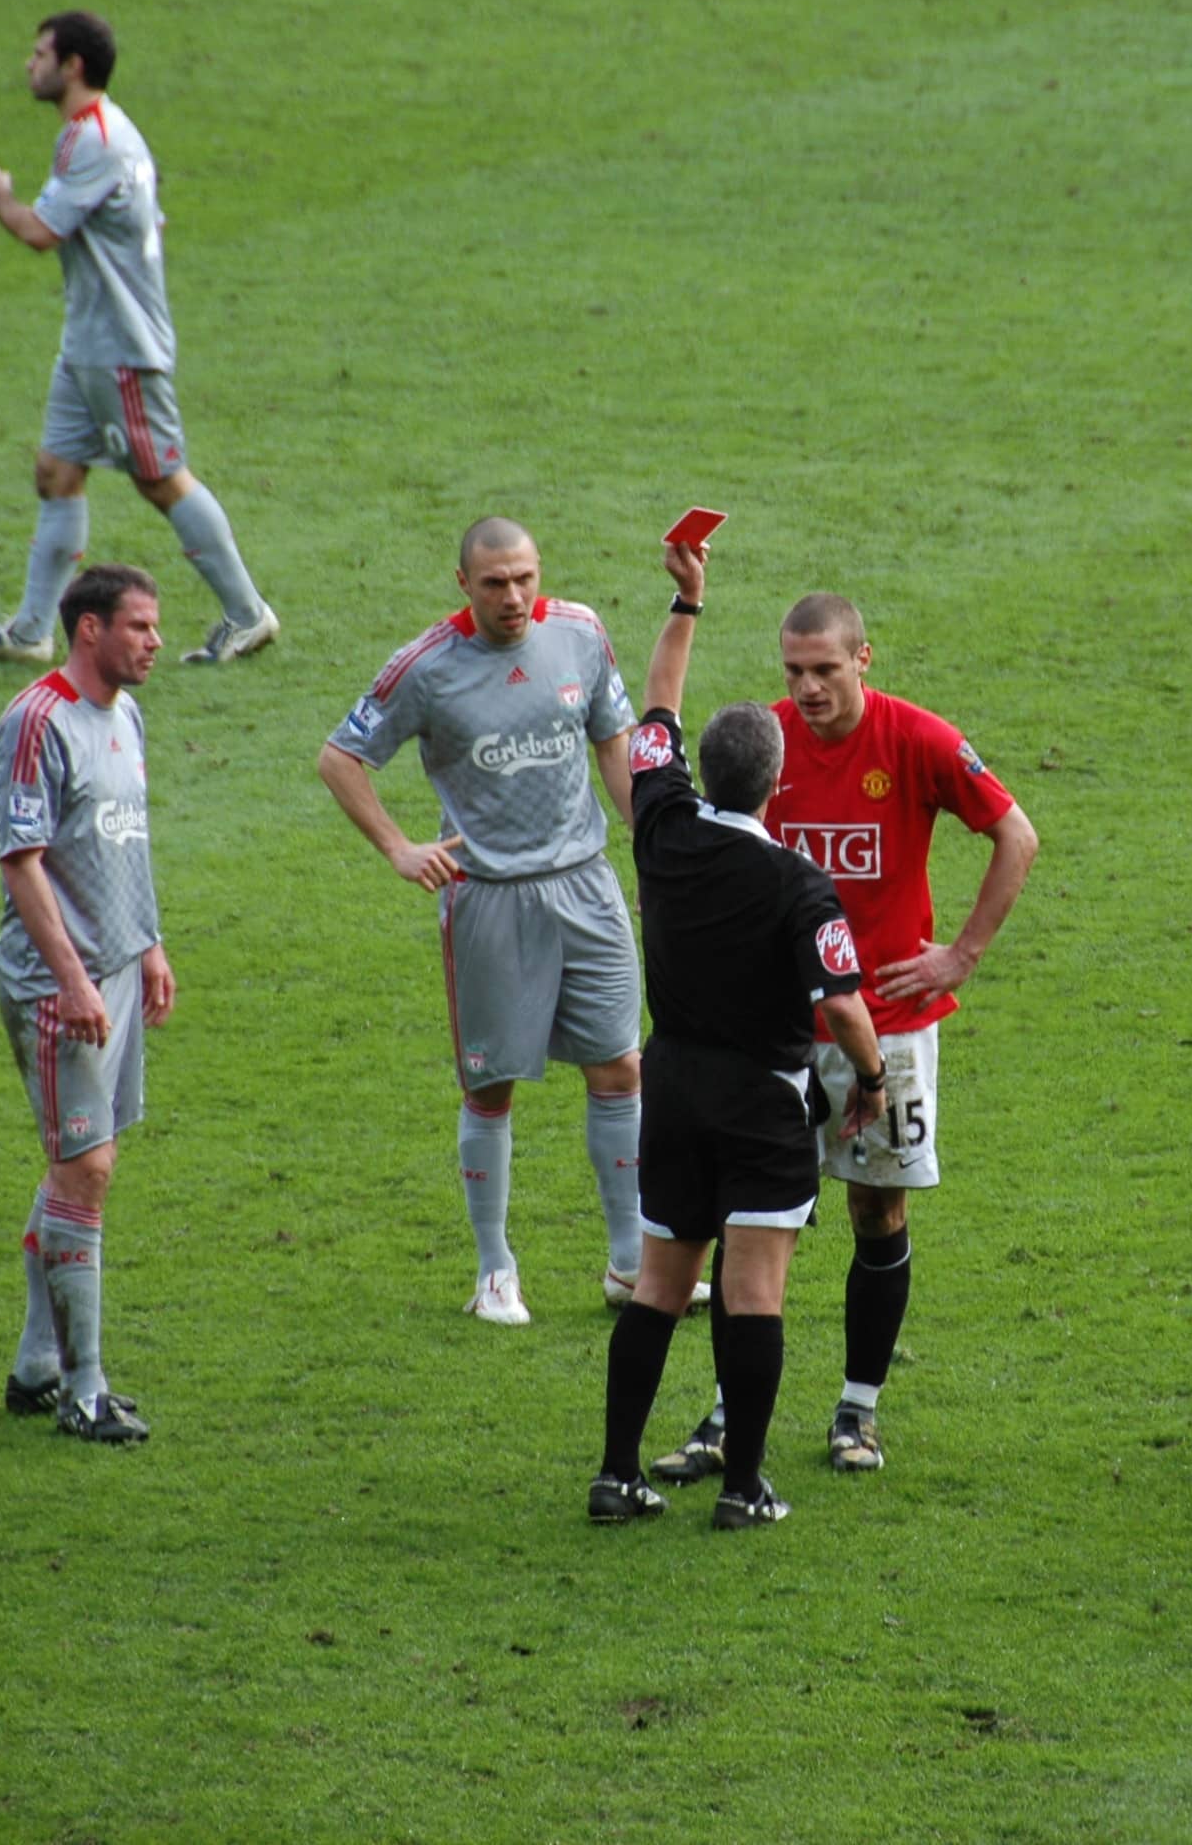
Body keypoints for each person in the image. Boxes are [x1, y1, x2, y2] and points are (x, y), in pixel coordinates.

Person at [650, 587, 1037, 1483]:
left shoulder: (918, 741)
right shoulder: (766, 743)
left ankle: (858, 1410)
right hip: (776, 1032)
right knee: (745, 1224)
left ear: (864, 659)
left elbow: (1016, 834)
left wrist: (960, 957)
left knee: (877, 1211)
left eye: (825, 669)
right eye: (793, 670)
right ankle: (723, 1416)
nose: (808, 688)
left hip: (888, 1027)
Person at [588, 539, 888, 1530]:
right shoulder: (799, 884)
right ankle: (743, 1485)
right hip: (760, 1099)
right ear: (774, 787)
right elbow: (842, 1006)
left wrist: (687, 605)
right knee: (752, 1289)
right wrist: (873, 1074)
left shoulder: (661, 826)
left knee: (661, 1284)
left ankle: (617, 1473)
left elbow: (654, 708)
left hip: (668, 1083)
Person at [319, 517, 648, 1324]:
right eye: (496, 583)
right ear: (462, 583)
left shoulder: (579, 634)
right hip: (490, 900)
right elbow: (341, 757)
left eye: (526, 578)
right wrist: (398, 846)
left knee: (621, 1068)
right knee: (491, 1084)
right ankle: (494, 1270)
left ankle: (632, 1264)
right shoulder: (425, 669)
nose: (515, 596)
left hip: (587, 886)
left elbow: (613, 739)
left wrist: (655, 834)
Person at [0, 10, 280, 666]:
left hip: (122, 346)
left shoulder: (93, 141)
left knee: (160, 479)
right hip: (89, 343)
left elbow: (41, 233)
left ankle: (248, 616)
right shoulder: (106, 130)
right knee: (57, 472)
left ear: (72, 65)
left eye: (40, 52)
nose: (29, 63)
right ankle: (30, 631)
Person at [0, 565, 176, 1445]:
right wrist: (70, 978)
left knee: (79, 1168)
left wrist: (149, 946)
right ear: (90, 629)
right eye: (139, 626)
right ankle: (84, 1388)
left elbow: (121, 842)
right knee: (86, 1171)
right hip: (56, 984)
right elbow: (22, 861)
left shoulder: (126, 715)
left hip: (115, 972)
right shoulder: (36, 722)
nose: (155, 641)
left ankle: (37, 1367)